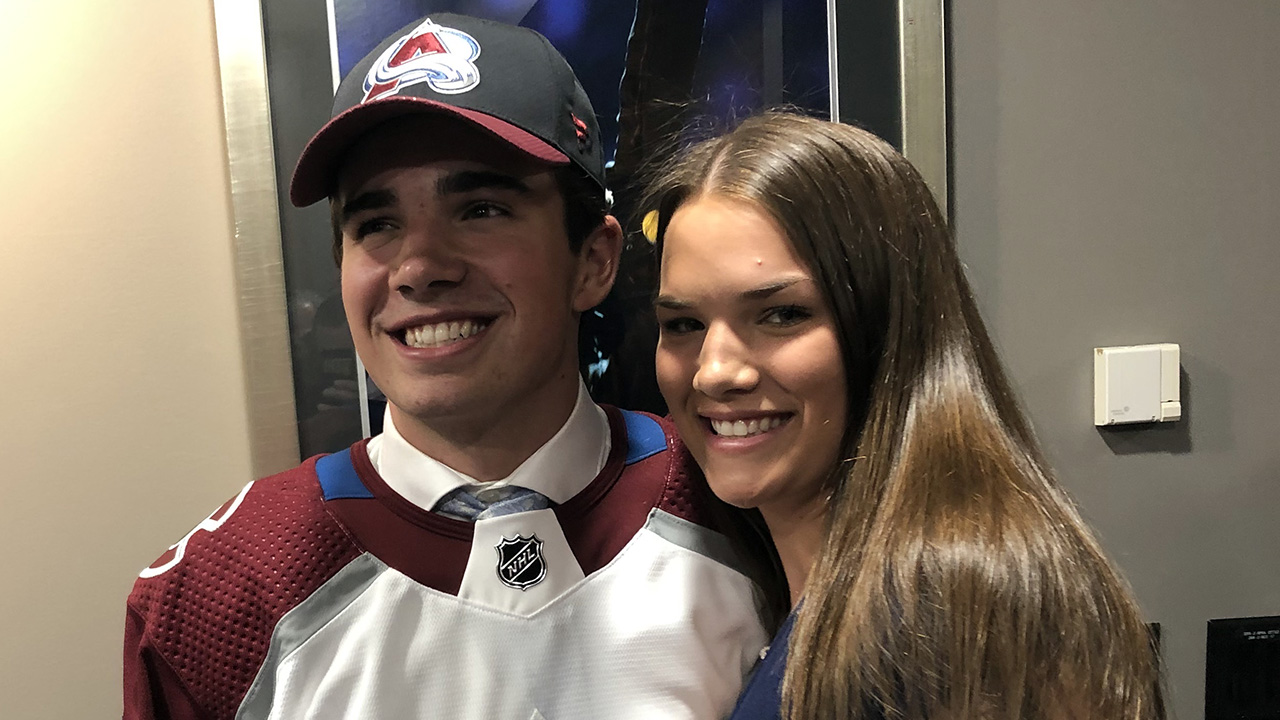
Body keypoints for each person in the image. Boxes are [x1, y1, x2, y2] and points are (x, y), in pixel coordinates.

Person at [123, 14, 769, 719]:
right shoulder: (216, 597)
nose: (419, 267)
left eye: (481, 209)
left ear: (593, 260)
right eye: (376, 224)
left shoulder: (750, 516)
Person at [646, 112, 1164, 719]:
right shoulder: (828, 596)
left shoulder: (950, 610)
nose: (713, 372)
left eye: (782, 314)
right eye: (683, 324)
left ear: (888, 325)